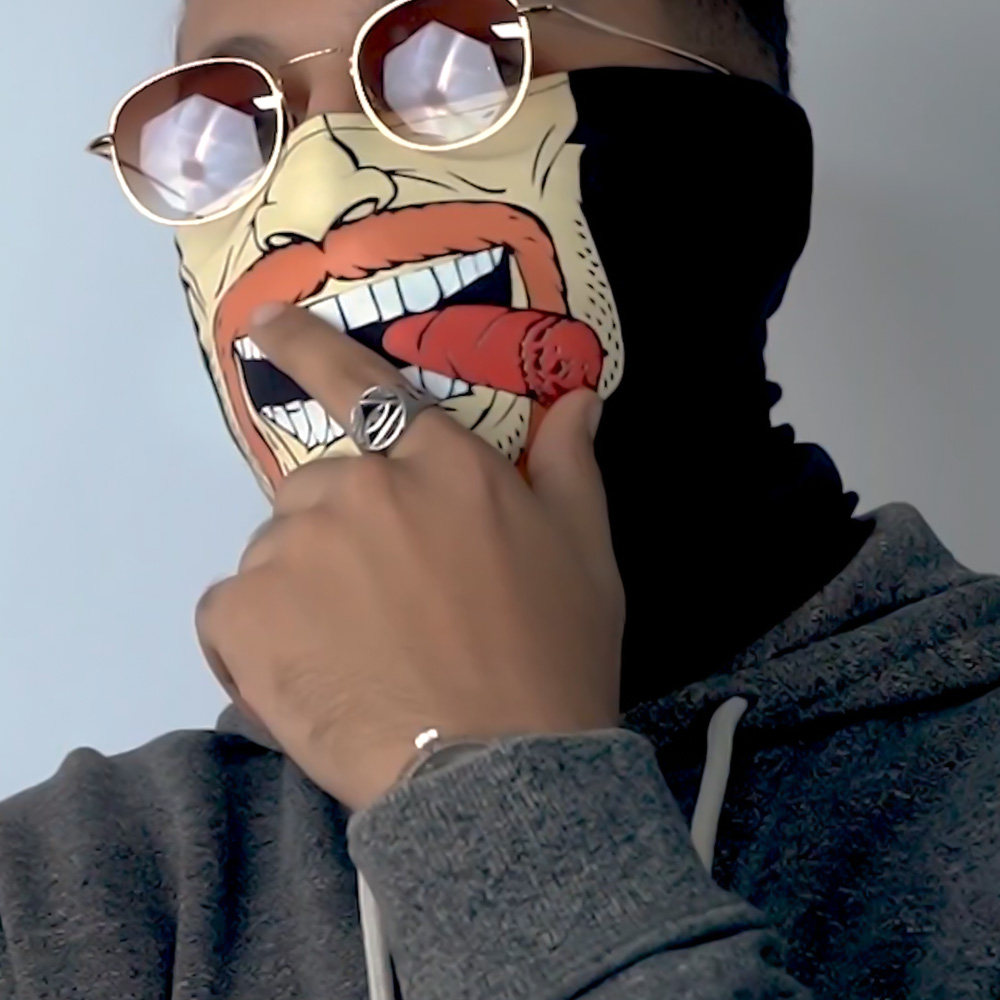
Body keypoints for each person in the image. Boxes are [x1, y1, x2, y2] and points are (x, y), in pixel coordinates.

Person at [2, 0, 998, 997]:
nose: (316, 188)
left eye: (453, 63)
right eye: (222, 123)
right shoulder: (66, 894)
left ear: (749, 175)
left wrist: (493, 790)